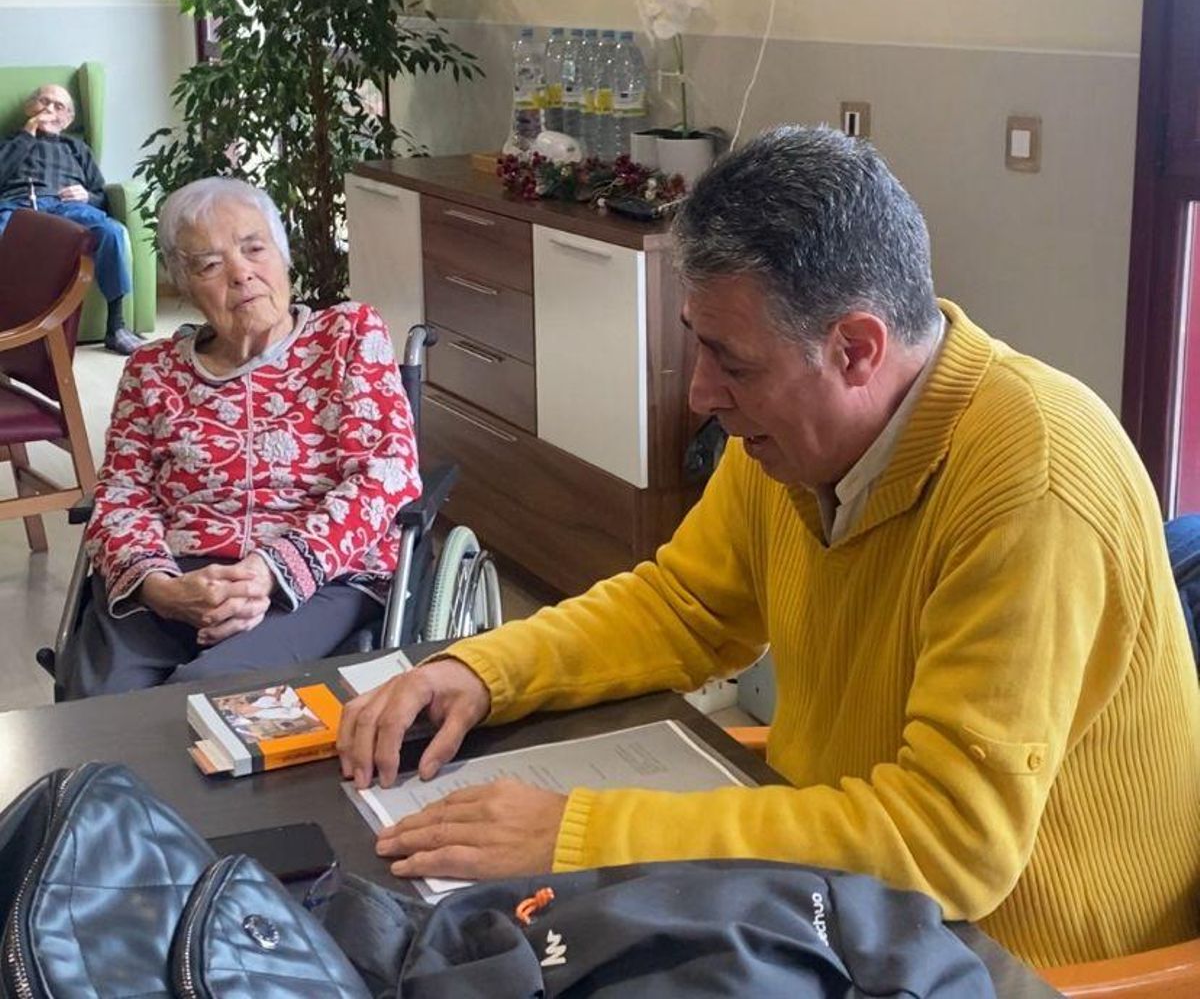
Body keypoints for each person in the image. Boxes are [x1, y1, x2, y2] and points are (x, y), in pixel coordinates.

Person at [338, 126, 1200, 969]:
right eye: (697, 345)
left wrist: (579, 835)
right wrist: (482, 671)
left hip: (1018, 956)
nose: (702, 394)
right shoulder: (790, 445)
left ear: (856, 349)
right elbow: (684, 605)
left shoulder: (1029, 475)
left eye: (733, 362)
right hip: (842, 902)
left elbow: (949, 846)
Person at [63, 176, 421, 698]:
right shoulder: (151, 371)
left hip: (320, 581)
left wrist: (272, 570)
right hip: (174, 576)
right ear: (183, 284)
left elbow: (385, 475)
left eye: (255, 248)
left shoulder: (347, 336)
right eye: (209, 265)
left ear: (283, 255)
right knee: (100, 704)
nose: (241, 273)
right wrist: (160, 588)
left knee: (210, 695)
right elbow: (121, 495)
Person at [0, 83, 141, 353]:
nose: (50, 110)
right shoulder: (9, 142)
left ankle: (117, 327)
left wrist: (87, 196)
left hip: (68, 208)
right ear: (30, 108)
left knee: (112, 232)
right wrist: (27, 136)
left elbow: (102, 196)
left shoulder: (77, 149)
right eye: (44, 102)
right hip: (17, 208)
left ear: (68, 120)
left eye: (59, 106)